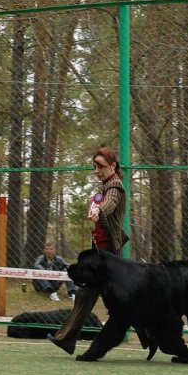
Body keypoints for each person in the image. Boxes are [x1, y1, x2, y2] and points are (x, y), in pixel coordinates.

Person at [48, 145, 129, 354]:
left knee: (120, 302)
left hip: (110, 255)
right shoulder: (105, 186)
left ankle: (151, 334)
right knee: (86, 294)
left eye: (100, 166)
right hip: (101, 252)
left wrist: (97, 211)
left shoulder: (115, 187)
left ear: (112, 166)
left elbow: (108, 205)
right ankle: (66, 338)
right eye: (94, 166)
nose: (96, 170)